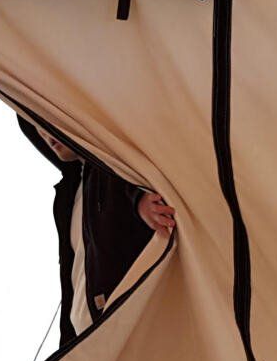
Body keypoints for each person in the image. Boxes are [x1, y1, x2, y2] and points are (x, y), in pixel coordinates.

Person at [18, 120, 176, 345]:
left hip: (125, 328)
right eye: (36, 126)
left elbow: (124, 181)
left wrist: (138, 203)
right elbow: (71, 278)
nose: (43, 131)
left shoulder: (109, 166)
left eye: (46, 119)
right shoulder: (68, 197)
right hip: (84, 342)